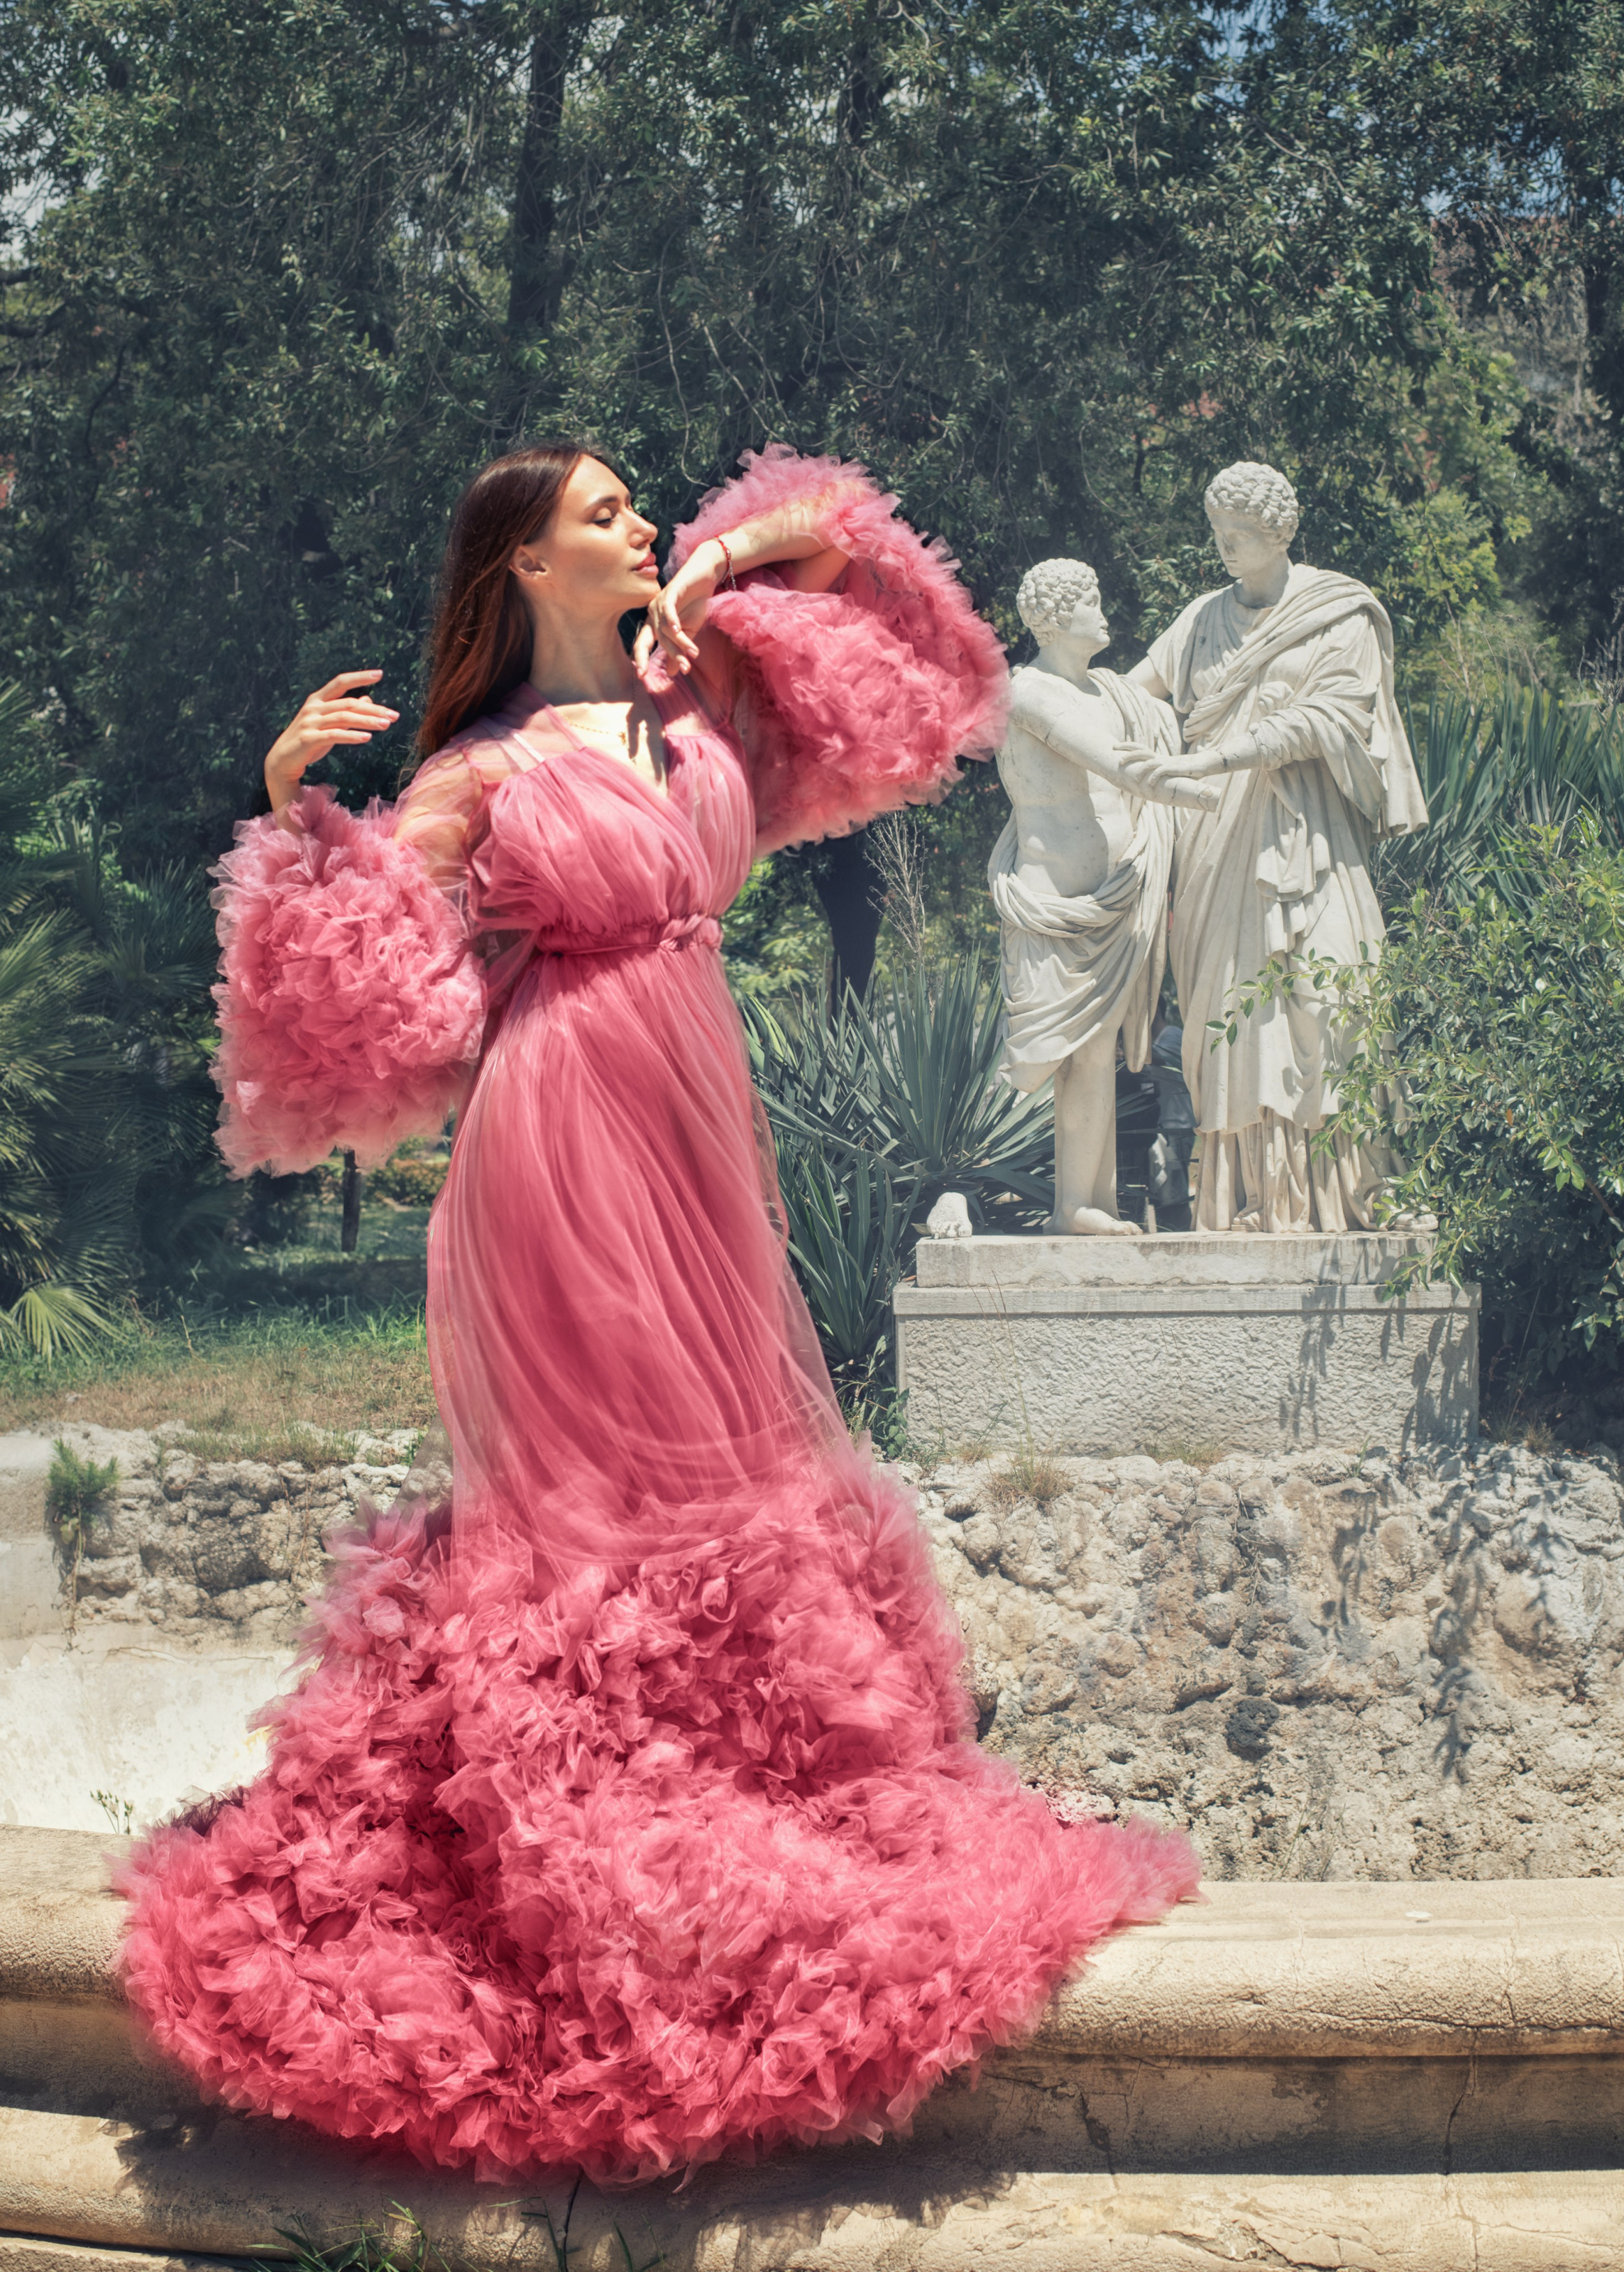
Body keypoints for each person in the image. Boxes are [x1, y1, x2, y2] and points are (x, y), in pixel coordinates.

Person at [118, 442, 1197, 2185]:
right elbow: (350, 1022)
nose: (637, 524)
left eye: (637, 508)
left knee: (721, 1479)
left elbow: (870, 579)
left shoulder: (701, 694)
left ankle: (730, 1799)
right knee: (595, 1515)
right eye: (605, 514)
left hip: (696, 1134)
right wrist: (294, 814)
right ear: (525, 563)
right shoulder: (477, 773)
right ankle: (573, 1851)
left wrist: (699, 576)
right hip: (559, 1142)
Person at [1121, 462, 1426, 1233]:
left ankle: (1356, 1188)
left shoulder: (1338, 611)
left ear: (1281, 532)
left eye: (1241, 533)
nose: (1225, 546)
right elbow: (1129, 694)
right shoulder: (1200, 619)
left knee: (1334, 1001)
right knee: (1231, 1017)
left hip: (1310, 835)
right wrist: (1048, 699)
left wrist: (1211, 759)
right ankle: (1255, 1198)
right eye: (1217, 531)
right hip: (1214, 845)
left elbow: (1331, 716)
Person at [989, 559, 1177, 1236]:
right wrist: (1206, 783)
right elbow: (1114, 763)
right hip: (1052, 907)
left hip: (1111, 901)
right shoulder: (1028, 693)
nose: (1104, 612)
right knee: (1035, 1055)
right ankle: (957, 1189)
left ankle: (1085, 1205)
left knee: (1095, 1054)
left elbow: (1172, 676)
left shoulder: (1109, 692)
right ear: (1055, 616)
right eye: (1091, 602)